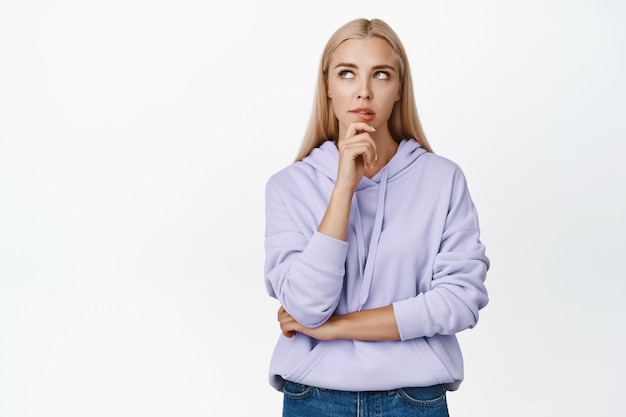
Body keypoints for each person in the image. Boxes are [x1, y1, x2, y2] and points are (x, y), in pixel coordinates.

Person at [263, 17, 489, 417]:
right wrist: (344, 188)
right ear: (328, 86)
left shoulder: (443, 180)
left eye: (380, 75)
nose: (363, 91)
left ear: (399, 87)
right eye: (347, 73)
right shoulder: (289, 187)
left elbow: (458, 301)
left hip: (414, 399)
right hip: (313, 397)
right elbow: (308, 306)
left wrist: (336, 329)